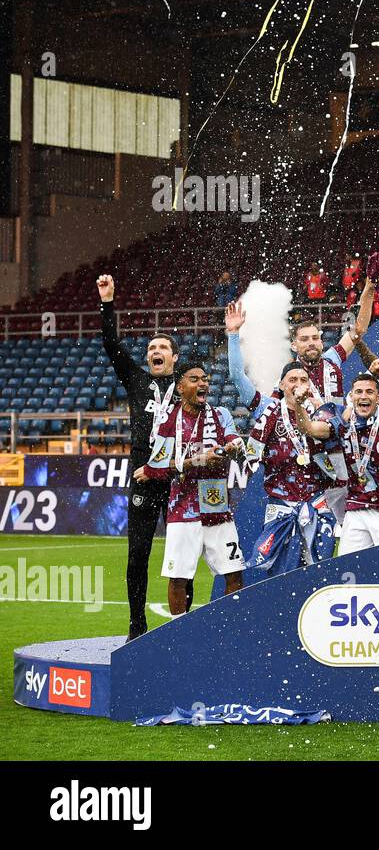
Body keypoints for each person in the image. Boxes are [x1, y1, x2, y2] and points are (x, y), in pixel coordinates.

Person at [96, 274, 188, 640]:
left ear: (174, 357)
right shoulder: (136, 379)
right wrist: (107, 303)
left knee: (181, 560)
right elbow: (109, 343)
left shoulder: (187, 385)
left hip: (178, 478)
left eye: (162, 346)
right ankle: (137, 626)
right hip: (141, 476)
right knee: (138, 555)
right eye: (151, 346)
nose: (155, 350)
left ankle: (182, 625)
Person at [227, 303, 341, 575]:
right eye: (292, 378)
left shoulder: (325, 413)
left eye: (303, 378)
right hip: (279, 507)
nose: (298, 382)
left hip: (317, 504)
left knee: (318, 574)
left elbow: (330, 440)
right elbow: (236, 376)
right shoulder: (268, 409)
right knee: (277, 575)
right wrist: (233, 335)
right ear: (281, 385)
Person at [140, 360, 245, 613]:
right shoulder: (168, 420)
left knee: (233, 573)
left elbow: (233, 439)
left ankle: (229, 629)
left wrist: (235, 446)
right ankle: (178, 634)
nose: (203, 383)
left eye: (205, 379)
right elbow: (156, 468)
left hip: (216, 504)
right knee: (179, 576)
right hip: (183, 508)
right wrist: (198, 460)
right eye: (195, 379)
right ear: (180, 387)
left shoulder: (220, 414)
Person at [298, 373, 379, 555]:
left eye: (369, 392)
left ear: (378, 397)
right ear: (352, 396)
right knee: (346, 568)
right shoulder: (342, 424)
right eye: (359, 392)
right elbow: (308, 428)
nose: (364, 396)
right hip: (356, 507)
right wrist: (299, 405)